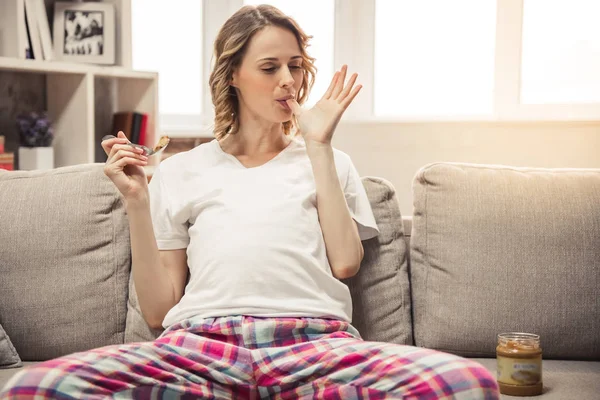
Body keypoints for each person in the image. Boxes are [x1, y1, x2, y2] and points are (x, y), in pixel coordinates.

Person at [0, 5, 499, 399]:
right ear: (233, 74)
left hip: (315, 342)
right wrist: (136, 202)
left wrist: (319, 145)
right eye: (270, 67)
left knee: (465, 384)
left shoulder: (331, 161)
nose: (289, 80)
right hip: (199, 346)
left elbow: (346, 263)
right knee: (33, 387)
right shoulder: (181, 170)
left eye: (296, 66)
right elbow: (157, 313)